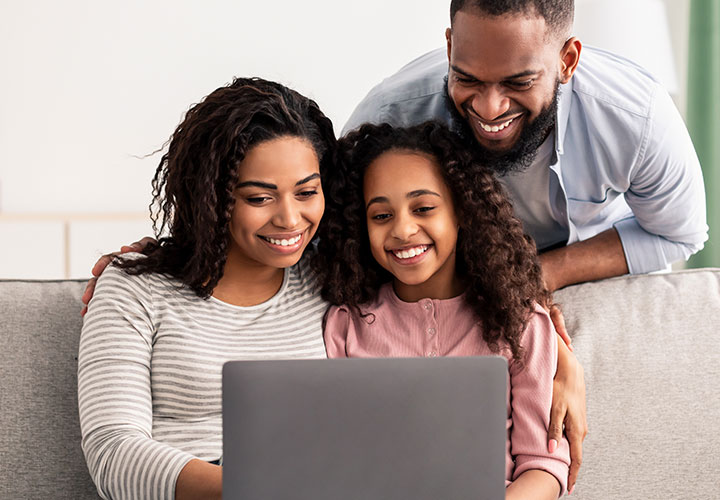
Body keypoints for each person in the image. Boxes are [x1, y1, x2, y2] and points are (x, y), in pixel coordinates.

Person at [341, 0, 708, 486]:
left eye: (517, 82)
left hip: (560, 273)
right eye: (468, 78)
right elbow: (336, 232)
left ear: (567, 60)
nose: (489, 108)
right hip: (455, 280)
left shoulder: (634, 116)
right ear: (449, 46)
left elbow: (679, 232)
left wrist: (535, 291)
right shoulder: (392, 114)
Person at [78, 77, 337, 500]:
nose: (291, 219)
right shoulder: (134, 291)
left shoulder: (331, 277)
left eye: (307, 192)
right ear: (210, 198)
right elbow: (113, 453)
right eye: (259, 198)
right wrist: (256, 491)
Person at [319, 121, 571, 498]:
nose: (403, 229)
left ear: (461, 211)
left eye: (423, 208)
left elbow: (544, 465)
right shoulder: (345, 326)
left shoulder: (521, 324)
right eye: (381, 215)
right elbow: (337, 459)